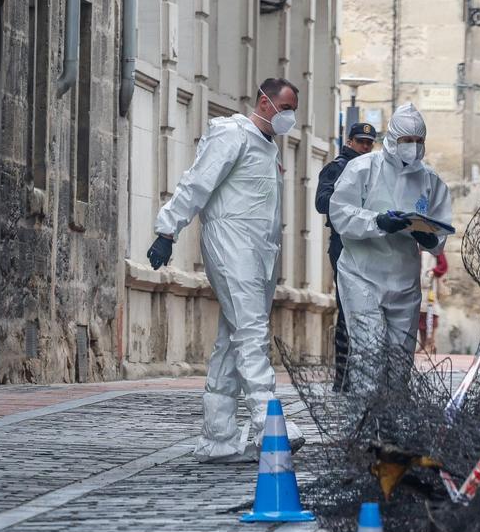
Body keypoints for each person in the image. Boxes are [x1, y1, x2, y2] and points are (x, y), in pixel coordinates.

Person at [146, 77, 305, 462]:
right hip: (232, 247)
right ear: (264, 103)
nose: (289, 117)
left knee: (232, 340)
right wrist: (168, 228)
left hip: (258, 254)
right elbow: (197, 183)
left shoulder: (266, 148)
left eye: (293, 110)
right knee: (251, 334)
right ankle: (272, 425)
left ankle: (218, 437)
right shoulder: (231, 134)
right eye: (285, 108)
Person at [329, 103, 451, 385]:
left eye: (419, 141)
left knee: (400, 363)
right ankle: (365, 425)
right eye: (407, 140)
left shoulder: (430, 180)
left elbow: (441, 228)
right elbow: (339, 212)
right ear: (393, 139)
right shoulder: (362, 169)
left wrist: (430, 237)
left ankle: (393, 425)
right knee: (368, 358)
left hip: (404, 281)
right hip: (361, 274)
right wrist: (378, 222)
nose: (413, 147)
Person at [315, 122, 377, 391]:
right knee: (348, 307)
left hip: (371, 244)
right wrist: (347, 203)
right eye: (361, 142)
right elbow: (322, 202)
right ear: (350, 141)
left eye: (369, 143)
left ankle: (367, 372)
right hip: (343, 243)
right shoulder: (337, 168)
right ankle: (343, 376)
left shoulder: (376, 170)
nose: (365, 147)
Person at [418, 250, 448, 354]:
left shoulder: (435, 248)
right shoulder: (417, 248)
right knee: (420, 315)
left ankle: (430, 343)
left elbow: (443, 265)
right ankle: (423, 344)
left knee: (431, 314)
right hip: (419, 286)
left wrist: (434, 271)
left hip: (431, 286)